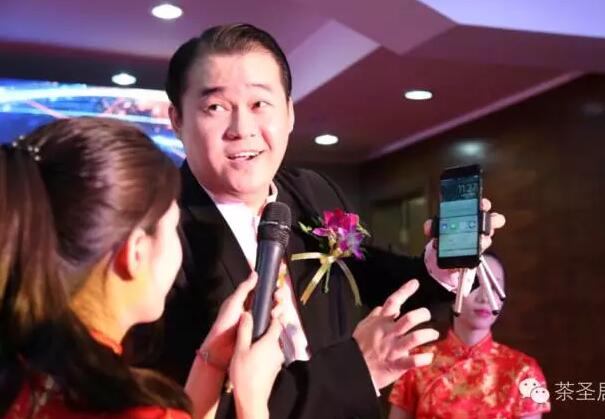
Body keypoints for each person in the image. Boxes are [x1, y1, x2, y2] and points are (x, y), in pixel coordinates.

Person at [135, 23, 505, 419]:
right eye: (215, 107)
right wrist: (357, 368)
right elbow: (178, 400)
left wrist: (441, 265)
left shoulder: (310, 191)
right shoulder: (155, 233)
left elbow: (372, 274)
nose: (242, 129)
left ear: (290, 113)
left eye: (260, 104)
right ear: (177, 120)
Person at [0, 117, 283, 419]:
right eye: (173, 228)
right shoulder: (130, 409)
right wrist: (251, 399)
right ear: (135, 253)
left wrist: (210, 363)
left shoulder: (20, 374)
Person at [389, 254, 551, 419]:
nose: (485, 297)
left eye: (493, 286)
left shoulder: (524, 370)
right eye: (474, 284)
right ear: (451, 292)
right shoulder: (417, 361)